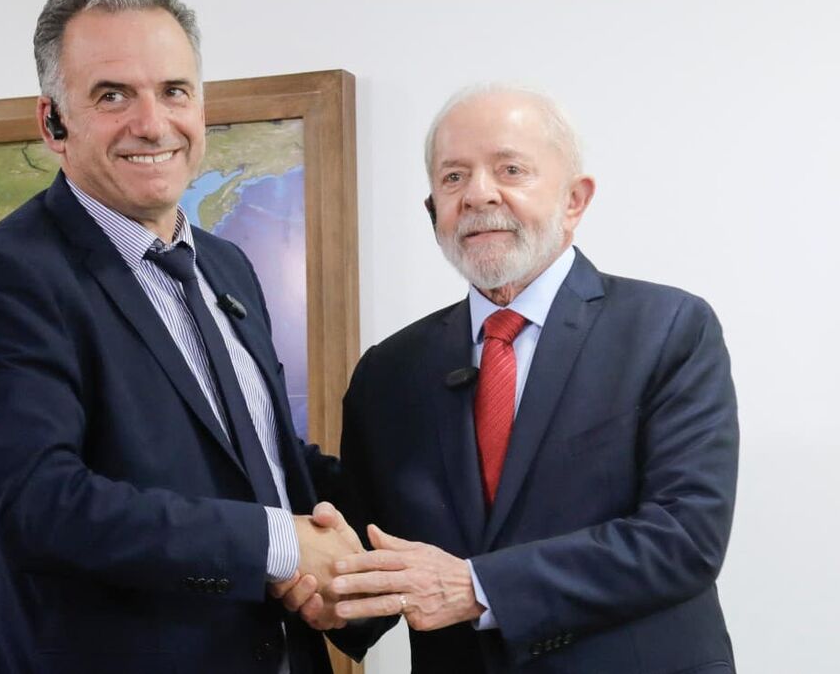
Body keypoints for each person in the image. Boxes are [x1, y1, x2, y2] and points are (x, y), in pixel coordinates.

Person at [0, 0, 360, 674]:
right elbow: (41, 504)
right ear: (52, 123)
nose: (152, 123)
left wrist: (364, 552)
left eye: (174, 91)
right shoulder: (4, 279)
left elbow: (263, 462)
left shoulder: (225, 266)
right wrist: (279, 543)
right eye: (112, 95)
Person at [303, 85, 739, 672]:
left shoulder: (667, 329)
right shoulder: (389, 373)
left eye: (510, 169)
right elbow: (381, 560)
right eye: (453, 177)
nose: (479, 194)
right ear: (432, 207)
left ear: (574, 200)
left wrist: (478, 586)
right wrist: (332, 595)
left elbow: (684, 538)